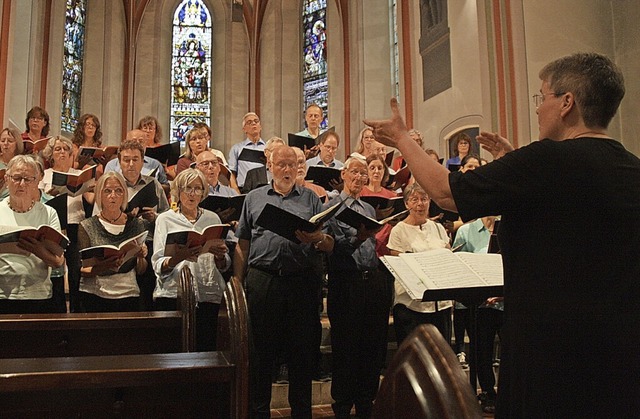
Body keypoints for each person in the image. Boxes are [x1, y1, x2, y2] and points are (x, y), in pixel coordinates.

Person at [365, 52, 640, 417]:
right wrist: (516, 171)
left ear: (567, 103)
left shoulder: (544, 160)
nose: (539, 108)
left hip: (550, 354)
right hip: (620, 353)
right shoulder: (631, 168)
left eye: (544, 97)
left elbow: (446, 193)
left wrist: (402, 138)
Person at [234, 145, 334, 418]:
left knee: (302, 355)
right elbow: (243, 243)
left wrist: (316, 239)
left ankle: (301, 412)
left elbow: (326, 243)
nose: (288, 170)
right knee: (261, 356)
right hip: (263, 281)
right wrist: (237, 284)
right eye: (282, 165)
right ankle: (258, 412)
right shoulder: (253, 198)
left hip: (301, 283)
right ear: (271, 166)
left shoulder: (311, 200)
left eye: (293, 165)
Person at [323, 155, 394, 419]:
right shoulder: (332, 207)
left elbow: (372, 245)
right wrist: (358, 238)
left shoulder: (367, 209)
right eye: (355, 172)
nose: (359, 178)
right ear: (343, 174)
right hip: (346, 281)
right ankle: (342, 405)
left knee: (372, 345)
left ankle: (366, 401)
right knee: (346, 346)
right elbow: (336, 250)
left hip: (371, 279)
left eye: (363, 174)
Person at [152, 169, 230, 351]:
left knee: (206, 349)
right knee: (174, 350)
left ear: (203, 192)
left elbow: (224, 265)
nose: (192, 193)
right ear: (178, 191)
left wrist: (221, 256)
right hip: (174, 293)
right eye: (187, 188)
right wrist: (176, 258)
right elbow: (157, 262)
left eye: (197, 188)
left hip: (207, 292)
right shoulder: (165, 219)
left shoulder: (212, 218)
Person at [0, 155, 65, 314]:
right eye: (17, 178)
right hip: (3, 295)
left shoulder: (48, 213)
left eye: (28, 179)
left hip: (38, 294)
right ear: (7, 179)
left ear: (37, 182)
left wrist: (38, 251)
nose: (22, 184)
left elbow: (58, 261)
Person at [387, 184, 452, 343]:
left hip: (440, 302)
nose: (420, 204)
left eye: (424, 199)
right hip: (411, 304)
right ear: (406, 203)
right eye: (414, 199)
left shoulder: (438, 228)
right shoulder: (399, 230)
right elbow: (399, 264)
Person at [77, 171, 148, 312]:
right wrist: (105, 265)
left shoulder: (136, 224)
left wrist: (141, 257)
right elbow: (84, 270)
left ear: (124, 195)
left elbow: (141, 270)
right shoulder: (87, 225)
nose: (113, 196)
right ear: (99, 195)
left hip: (128, 292)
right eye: (107, 191)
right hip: (95, 294)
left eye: (118, 191)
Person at [452, 215, 502, 413]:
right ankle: (487, 392)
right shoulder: (466, 231)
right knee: (481, 351)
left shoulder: (507, 228)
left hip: (505, 301)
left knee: (511, 349)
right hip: (480, 305)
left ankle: (506, 392)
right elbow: (459, 265)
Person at [40, 136, 95, 312]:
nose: (62, 152)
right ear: (51, 154)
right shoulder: (45, 175)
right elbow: (40, 201)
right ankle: (57, 309)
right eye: (58, 149)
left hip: (76, 223)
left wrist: (90, 186)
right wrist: (53, 192)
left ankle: (77, 310)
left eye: (65, 149)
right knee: (56, 269)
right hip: (54, 225)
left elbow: (91, 199)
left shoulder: (78, 173)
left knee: (75, 269)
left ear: (71, 154)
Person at [103, 129, 169, 187]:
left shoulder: (155, 164)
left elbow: (166, 186)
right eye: (133, 141)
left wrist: (153, 187)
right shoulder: (112, 165)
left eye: (141, 141)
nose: (137, 144)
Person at [228, 112, 266, 190]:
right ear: (244, 129)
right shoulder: (237, 148)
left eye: (256, 121)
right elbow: (232, 174)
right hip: (243, 190)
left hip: (264, 189)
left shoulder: (267, 148)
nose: (253, 123)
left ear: (260, 126)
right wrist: (236, 192)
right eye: (249, 122)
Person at [0, 128, 24, 199]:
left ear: (17, 143)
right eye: (2, 141)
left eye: (10, 141)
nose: (5, 143)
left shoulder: (22, 163)